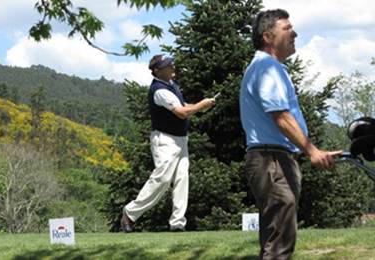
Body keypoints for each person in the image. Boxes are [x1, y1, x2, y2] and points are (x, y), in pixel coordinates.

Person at [239, 9, 342, 259]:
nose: (294, 33)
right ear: (267, 36)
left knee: (275, 237)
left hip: (272, 159)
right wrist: (312, 151)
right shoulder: (267, 68)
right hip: (272, 161)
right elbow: (281, 116)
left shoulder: (265, 67)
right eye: (287, 29)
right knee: (280, 243)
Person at [121, 54, 216, 232]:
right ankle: (130, 212)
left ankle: (178, 222)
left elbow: (183, 104)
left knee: (182, 179)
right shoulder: (159, 90)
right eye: (168, 65)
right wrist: (202, 105)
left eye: (172, 64)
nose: (173, 67)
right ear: (157, 71)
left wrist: (199, 104)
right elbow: (181, 112)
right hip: (165, 140)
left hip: (180, 139)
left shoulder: (172, 85)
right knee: (162, 179)